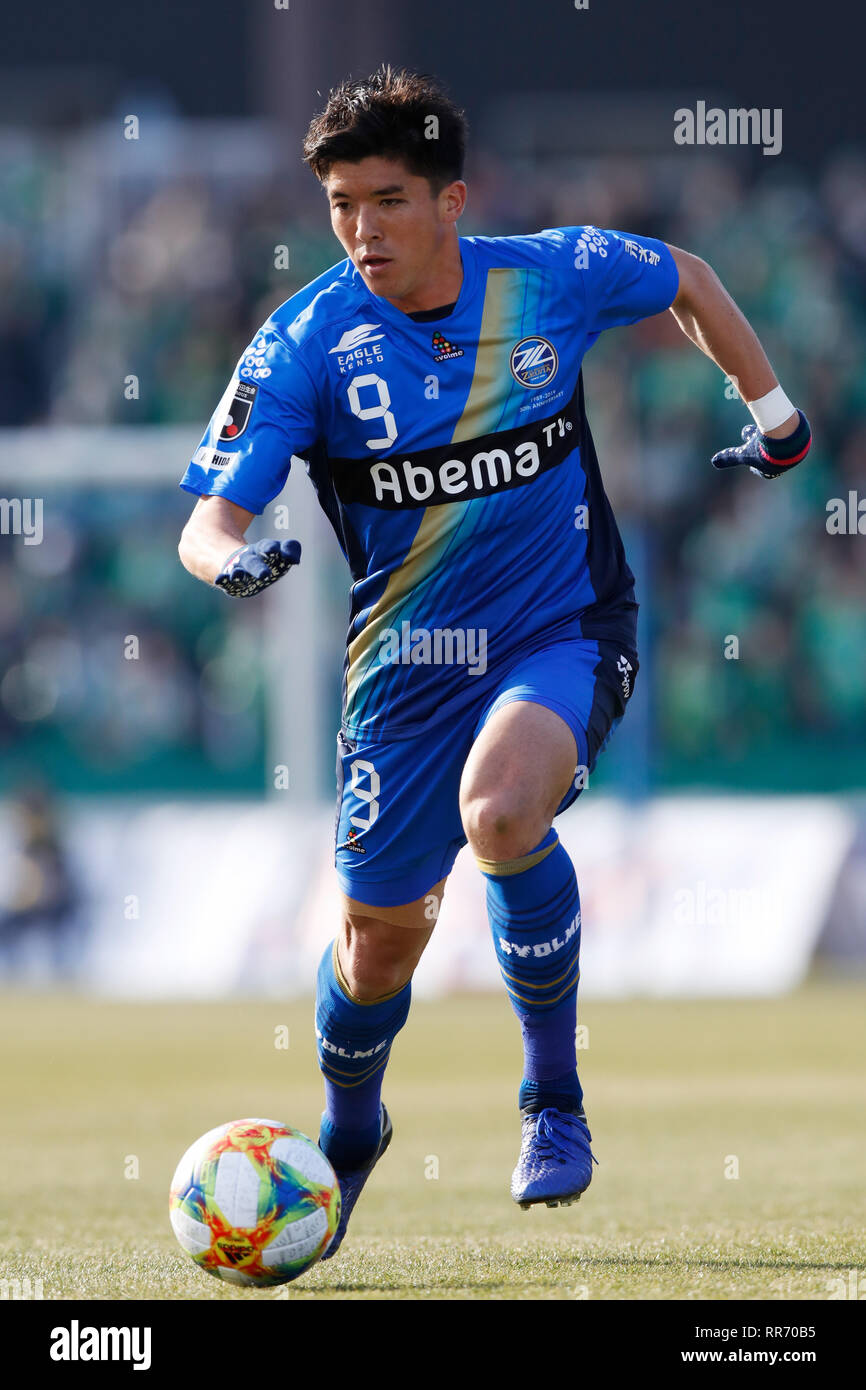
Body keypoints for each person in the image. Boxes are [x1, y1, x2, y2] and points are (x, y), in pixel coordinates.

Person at [177, 66, 811, 1257]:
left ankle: (551, 1104)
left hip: (560, 627)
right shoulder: (305, 341)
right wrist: (234, 564)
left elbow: (686, 277)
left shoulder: (546, 279)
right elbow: (207, 519)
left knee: (501, 813)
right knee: (377, 946)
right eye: (340, 205)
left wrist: (774, 416)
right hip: (403, 672)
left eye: (386, 200)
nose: (361, 229)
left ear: (452, 198)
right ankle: (350, 1134)